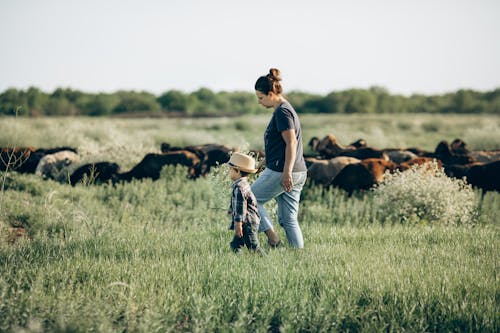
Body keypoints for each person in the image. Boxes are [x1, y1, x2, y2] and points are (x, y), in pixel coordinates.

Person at [252, 68, 308, 248]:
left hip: (283, 170)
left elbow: (291, 143)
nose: (259, 102)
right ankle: (298, 258)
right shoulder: (285, 109)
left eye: (261, 98)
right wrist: (263, 162)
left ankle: (274, 240)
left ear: (271, 94)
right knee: (288, 219)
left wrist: (286, 173)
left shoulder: (282, 112)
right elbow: (280, 145)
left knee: (249, 200)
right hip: (298, 170)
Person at [227, 152, 262, 253]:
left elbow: (240, 208)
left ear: (237, 171)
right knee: (235, 244)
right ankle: (237, 260)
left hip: (247, 223)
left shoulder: (239, 187)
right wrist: (230, 209)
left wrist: (238, 225)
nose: (229, 172)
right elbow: (238, 202)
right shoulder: (244, 183)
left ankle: (263, 261)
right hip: (248, 221)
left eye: (230, 170)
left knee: (253, 246)